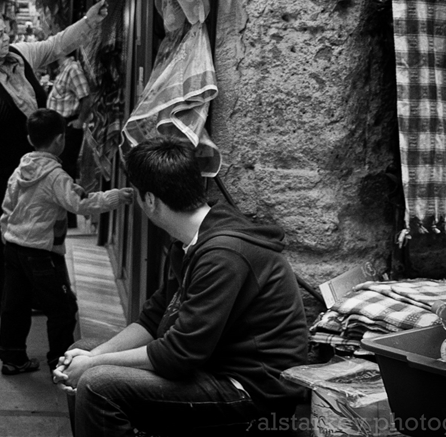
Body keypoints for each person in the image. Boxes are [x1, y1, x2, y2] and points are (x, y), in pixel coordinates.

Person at [53, 135, 309, 437]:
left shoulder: (223, 255)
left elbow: (179, 355)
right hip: (210, 366)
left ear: (150, 200)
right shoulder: (192, 241)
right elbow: (153, 318)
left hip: (250, 387)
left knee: (98, 385)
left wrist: (95, 365)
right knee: (80, 351)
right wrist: (91, 358)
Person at [0, 0, 108, 316]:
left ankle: (31, 293)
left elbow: (56, 44)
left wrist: (89, 20)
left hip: (32, 168)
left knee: (35, 229)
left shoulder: (19, 57)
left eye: (5, 32)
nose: (5, 39)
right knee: (0, 229)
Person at [0, 108, 134, 376]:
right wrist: (116, 196)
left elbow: (7, 205)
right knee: (63, 308)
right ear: (60, 139)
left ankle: (12, 358)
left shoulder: (21, 167)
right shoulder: (55, 176)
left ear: (29, 139)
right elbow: (80, 204)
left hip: (14, 247)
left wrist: (8, 234)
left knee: (15, 305)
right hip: (41, 254)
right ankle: (61, 364)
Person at [46, 51, 92, 228]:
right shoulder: (63, 69)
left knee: (66, 171)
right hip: (60, 125)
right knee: (61, 170)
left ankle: (68, 219)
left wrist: (80, 121)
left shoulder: (73, 69)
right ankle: (62, 217)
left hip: (68, 126)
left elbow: (86, 97)